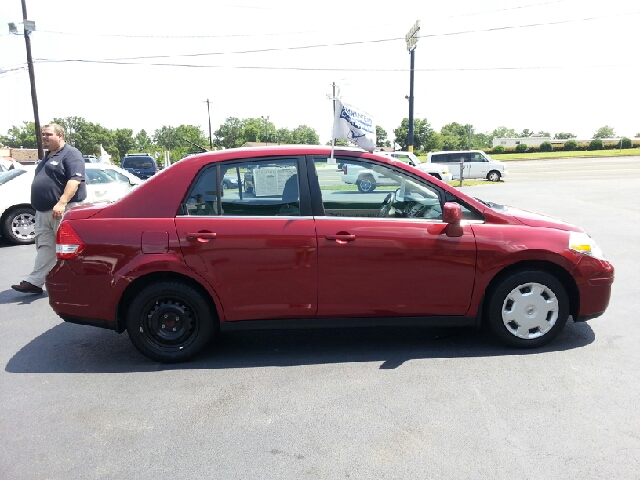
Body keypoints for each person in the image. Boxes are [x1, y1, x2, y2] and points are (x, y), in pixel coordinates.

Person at [11, 124, 86, 294]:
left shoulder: (71, 154)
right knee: (46, 247)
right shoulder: (46, 156)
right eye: (42, 134)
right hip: (43, 212)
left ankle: (80, 283)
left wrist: (61, 203)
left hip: (63, 209)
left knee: (68, 249)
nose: (44, 137)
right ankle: (35, 282)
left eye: (48, 134)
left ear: (60, 136)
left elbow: (75, 180)